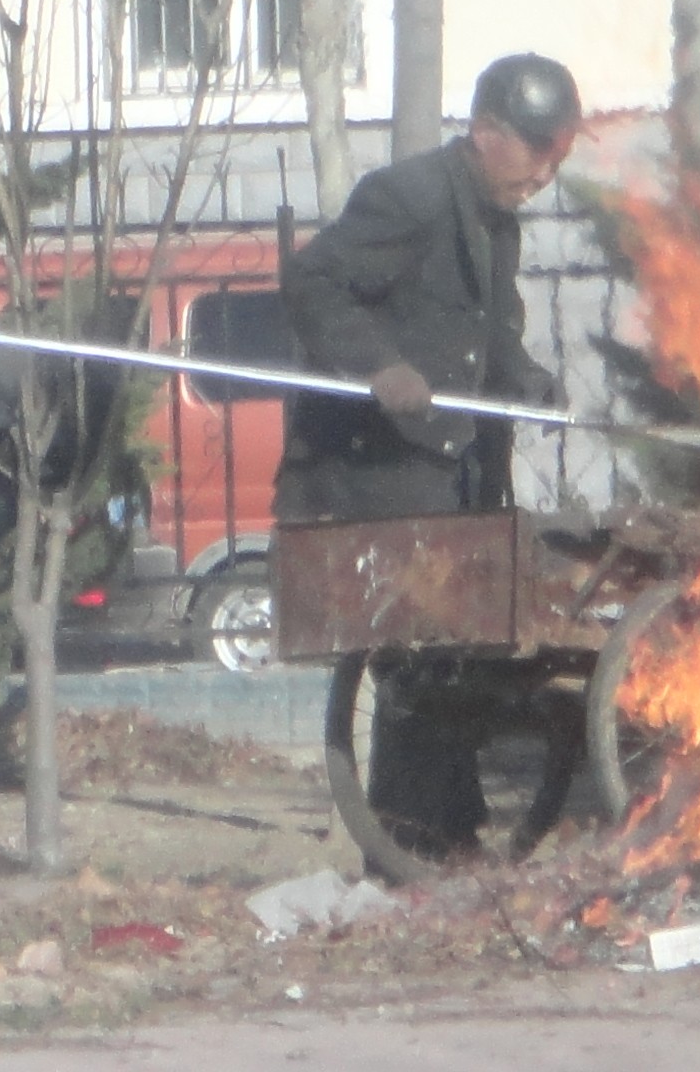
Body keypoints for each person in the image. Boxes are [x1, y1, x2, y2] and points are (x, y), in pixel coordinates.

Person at [276, 53, 582, 868]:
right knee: (414, 668)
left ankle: (448, 836)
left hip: (460, 474)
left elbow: (493, 340)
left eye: (561, 157)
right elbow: (312, 284)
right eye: (538, 153)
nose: (547, 175)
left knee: (455, 664)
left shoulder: (497, 223)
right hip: (387, 470)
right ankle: (407, 844)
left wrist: (532, 386)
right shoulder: (406, 196)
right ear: (486, 133)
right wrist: (378, 366)